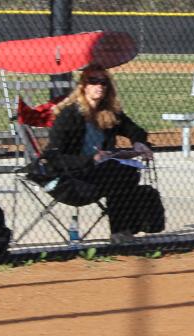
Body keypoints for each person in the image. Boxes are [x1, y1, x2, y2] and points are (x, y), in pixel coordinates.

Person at [39, 64, 163, 242]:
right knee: (121, 174)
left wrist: (139, 143)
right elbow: (53, 157)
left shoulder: (108, 113)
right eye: (93, 81)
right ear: (83, 86)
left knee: (125, 172)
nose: (100, 86)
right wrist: (91, 159)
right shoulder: (69, 115)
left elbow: (135, 129)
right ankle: (121, 231)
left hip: (100, 175)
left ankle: (122, 231)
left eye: (104, 82)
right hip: (72, 179)